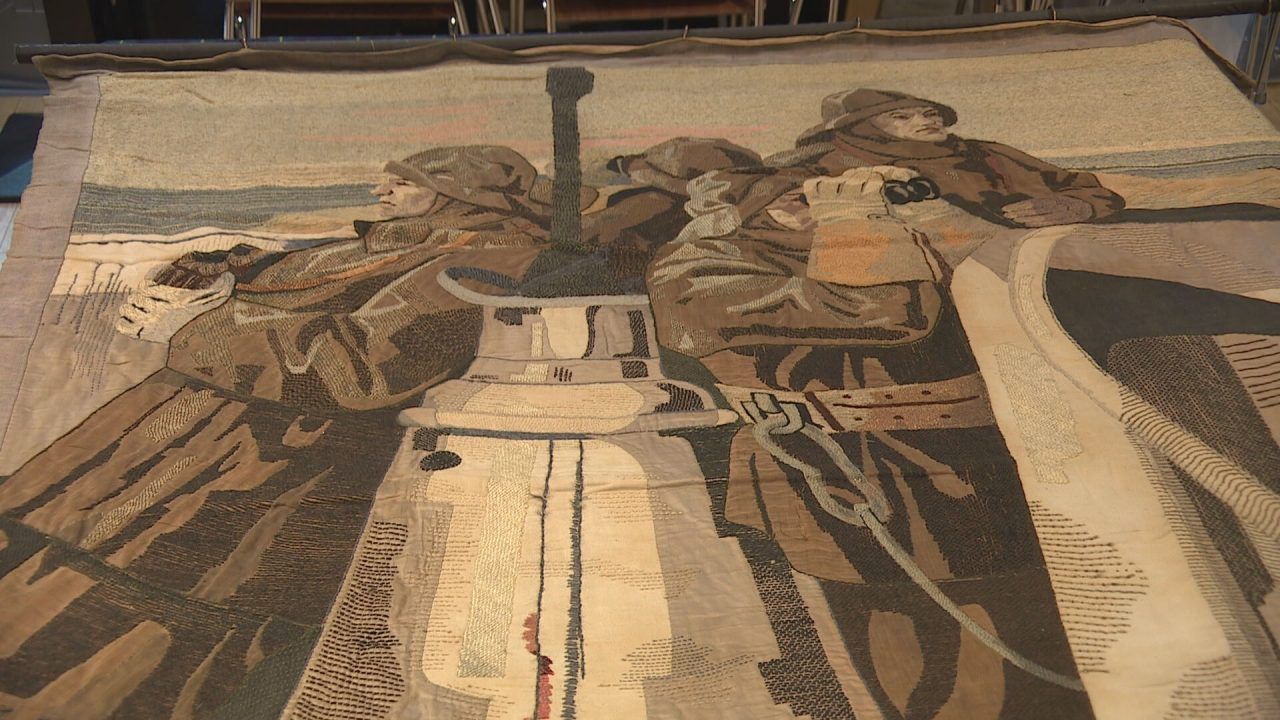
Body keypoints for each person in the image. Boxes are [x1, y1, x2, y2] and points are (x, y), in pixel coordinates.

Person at [0, 145, 571, 718]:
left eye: (401, 183)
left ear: (459, 194)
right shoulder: (405, 241)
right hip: (194, 445)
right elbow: (300, 285)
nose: (381, 192)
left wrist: (198, 324)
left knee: (159, 623)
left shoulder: (488, 262)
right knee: (60, 572)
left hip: (274, 466)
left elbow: (364, 371)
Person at [631, 89, 1112, 719]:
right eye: (797, 199)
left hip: (971, 467)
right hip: (836, 475)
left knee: (1032, 628)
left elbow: (1009, 262)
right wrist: (851, 220)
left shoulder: (872, 239)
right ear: (743, 214)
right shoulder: (694, 274)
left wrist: (932, 212)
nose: (818, 207)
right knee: (919, 653)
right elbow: (888, 315)